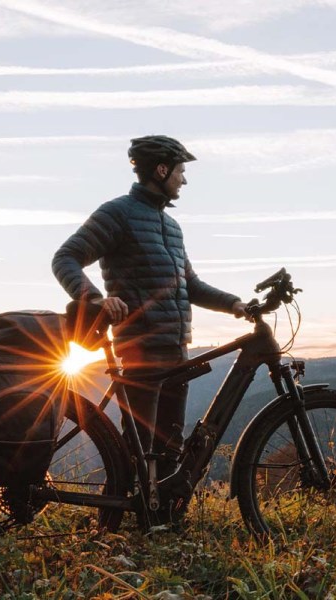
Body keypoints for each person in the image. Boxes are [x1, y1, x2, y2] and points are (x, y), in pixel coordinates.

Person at [53, 135, 248, 479]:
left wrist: (235, 304)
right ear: (161, 170)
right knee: (140, 450)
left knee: (170, 444)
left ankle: (163, 518)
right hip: (142, 349)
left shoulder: (172, 228)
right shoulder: (118, 213)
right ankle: (128, 514)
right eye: (180, 171)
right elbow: (65, 257)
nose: (184, 179)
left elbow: (190, 286)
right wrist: (94, 299)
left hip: (177, 351)